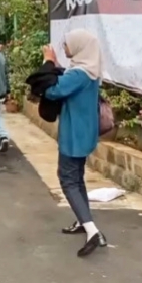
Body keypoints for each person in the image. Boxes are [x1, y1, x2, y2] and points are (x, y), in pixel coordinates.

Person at [42, 29, 106, 257]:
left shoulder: (78, 74)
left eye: (67, 44)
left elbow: (52, 92)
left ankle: (92, 231)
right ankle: (84, 220)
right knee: (77, 178)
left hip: (74, 133)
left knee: (67, 179)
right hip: (85, 131)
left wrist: (48, 63)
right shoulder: (89, 71)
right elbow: (66, 80)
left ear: (79, 47)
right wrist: (57, 64)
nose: (65, 47)